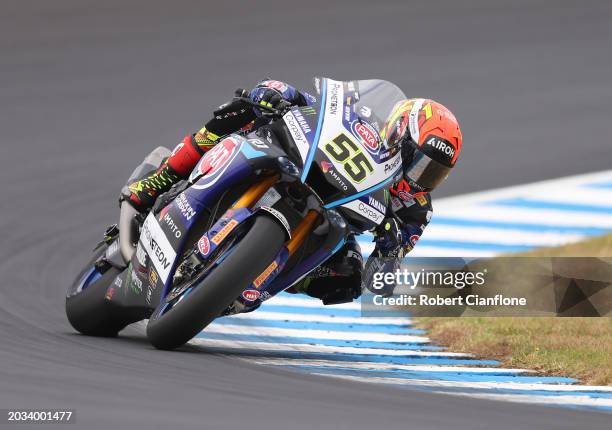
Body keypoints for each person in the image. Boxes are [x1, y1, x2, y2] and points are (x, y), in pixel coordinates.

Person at [121, 79, 463, 304]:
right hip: (303, 159)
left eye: (435, 172)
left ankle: (250, 278)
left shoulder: (416, 209)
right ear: (400, 130)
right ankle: (160, 180)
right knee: (244, 109)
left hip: (336, 216)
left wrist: (389, 249)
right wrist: (281, 93)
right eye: (420, 161)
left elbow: (380, 284)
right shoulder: (369, 113)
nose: (423, 177)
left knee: (348, 280)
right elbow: (322, 104)